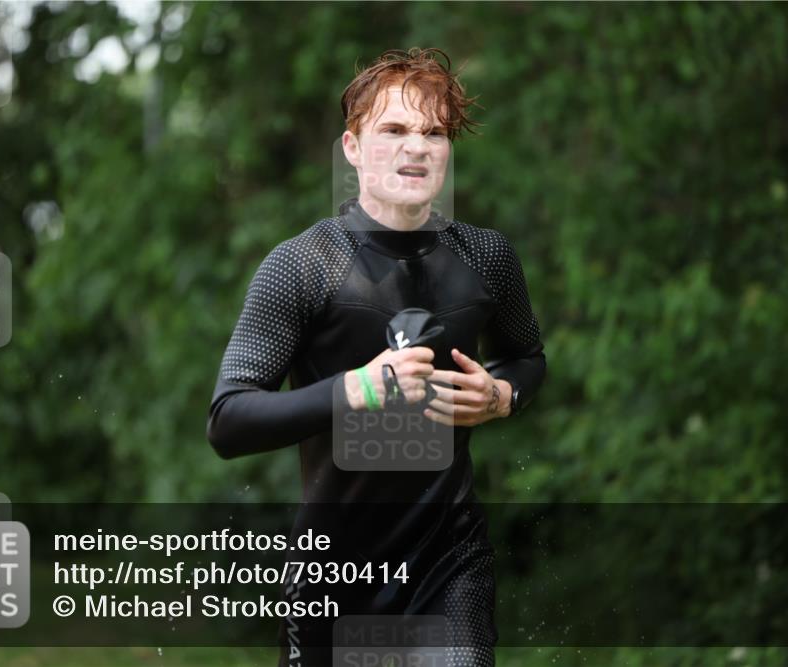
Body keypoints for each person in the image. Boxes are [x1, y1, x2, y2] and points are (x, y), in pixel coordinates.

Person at [207, 47, 546, 667]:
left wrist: (500, 396)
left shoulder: (486, 258)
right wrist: (358, 388)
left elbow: (527, 358)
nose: (416, 147)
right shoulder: (302, 265)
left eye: (434, 133)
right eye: (393, 130)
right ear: (353, 147)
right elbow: (229, 420)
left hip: (449, 564)